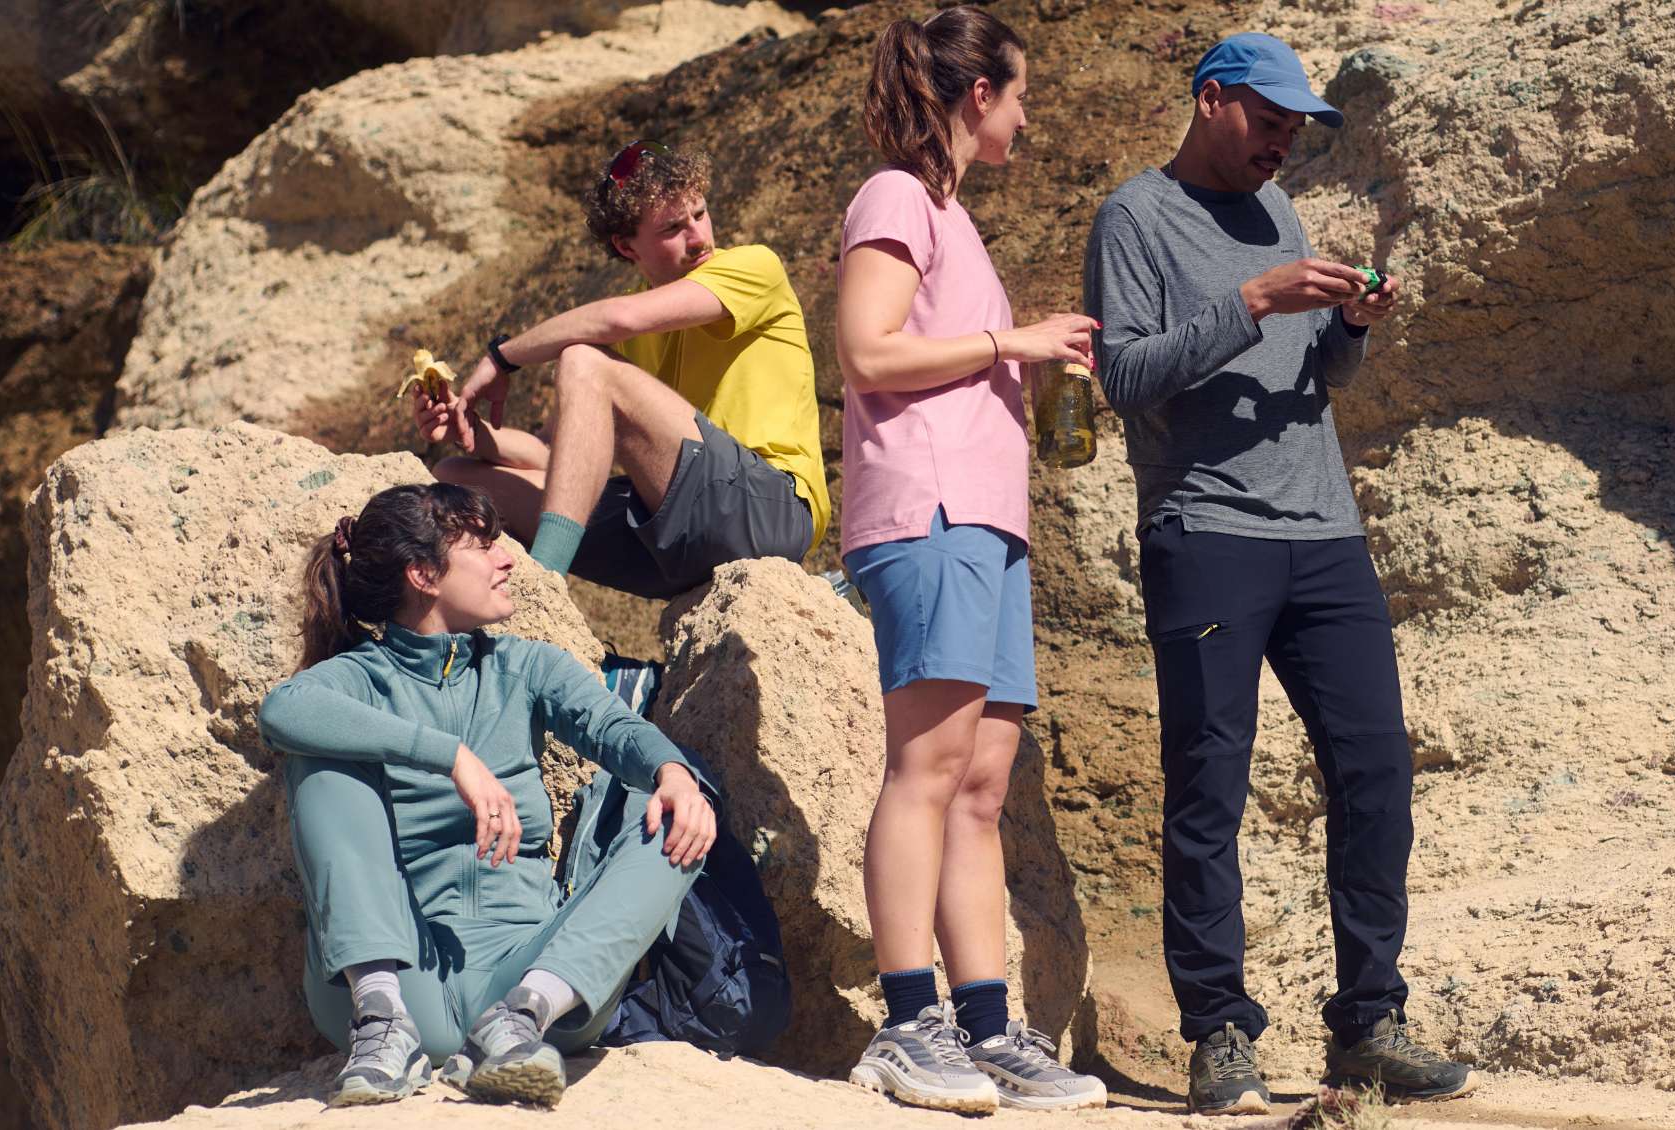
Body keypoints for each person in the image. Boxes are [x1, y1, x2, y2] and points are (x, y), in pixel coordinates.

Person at [1082, 32, 1475, 1114]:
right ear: (1211, 100)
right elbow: (1125, 376)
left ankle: (1368, 1023)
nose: (1282, 143)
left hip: (1325, 534)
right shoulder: (1135, 217)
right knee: (1209, 784)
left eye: (1294, 129)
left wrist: (1346, 326)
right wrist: (1252, 300)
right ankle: (1218, 1031)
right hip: (1205, 534)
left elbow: (1316, 378)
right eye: (1268, 121)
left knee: (1376, 770)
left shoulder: (1280, 213)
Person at [830, 5, 1106, 1113]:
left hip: (987, 520)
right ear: (977, 94)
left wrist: (1026, 369)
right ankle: (907, 1022)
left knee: (982, 785)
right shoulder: (896, 195)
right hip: (928, 510)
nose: (1026, 118)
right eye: (1020, 95)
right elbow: (866, 350)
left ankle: (988, 1030)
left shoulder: (954, 218)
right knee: (929, 768)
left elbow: (937, 355)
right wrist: (1010, 341)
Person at [258, 482, 719, 1109]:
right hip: (405, 978)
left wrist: (672, 772)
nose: (508, 559)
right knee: (319, 760)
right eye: (484, 546)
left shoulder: (526, 667)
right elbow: (285, 710)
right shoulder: (358, 679)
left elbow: (616, 729)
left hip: (532, 976)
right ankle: (382, 1024)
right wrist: (450, 756)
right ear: (423, 574)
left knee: (676, 811)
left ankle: (521, 1019)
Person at [422, 143, 827, 607]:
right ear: (626, 245)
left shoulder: (753, 267)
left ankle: (543, 592)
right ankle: (488, 607)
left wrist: (502, 357)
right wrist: (473, 433)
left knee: (583, 358)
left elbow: (619, 318)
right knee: (459, 480)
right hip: (682, 539)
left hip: (770, 511)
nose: (698, 237)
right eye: (673, 228)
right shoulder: (631, 334)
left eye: (700, 214)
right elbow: (554, 456)